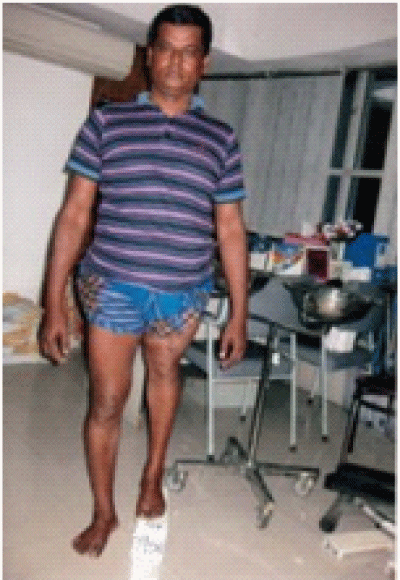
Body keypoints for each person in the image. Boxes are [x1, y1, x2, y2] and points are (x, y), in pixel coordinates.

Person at [39, 3, 248, 559]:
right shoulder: (106, 123)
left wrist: (240, 314)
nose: (176, 63)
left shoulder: (222, 139)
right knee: (107, 401)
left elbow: (230, 228)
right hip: (112, 286)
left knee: (164, 374)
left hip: (183, 294)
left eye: (189, 52)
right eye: (166, 51)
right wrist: (53, 302)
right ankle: (103, 511)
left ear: (204, 63)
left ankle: (152, 476)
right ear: (149, 56)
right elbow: (74, 215)